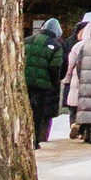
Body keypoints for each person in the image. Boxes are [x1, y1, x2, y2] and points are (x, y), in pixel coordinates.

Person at [22, 18, 65, 146]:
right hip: (41, 86)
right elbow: (55, 67)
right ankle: (34, 141)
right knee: (38, 113)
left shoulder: (27, 40)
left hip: (25, 82)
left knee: (25, 110)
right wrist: (54, 82)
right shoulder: (56, 46)